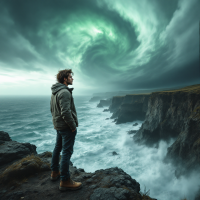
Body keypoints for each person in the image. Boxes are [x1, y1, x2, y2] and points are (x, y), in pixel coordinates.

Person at [50, 69, 82, 191]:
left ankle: (54, 172)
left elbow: (52, 110)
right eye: (70, 77)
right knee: (66, 152)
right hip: (66, 127)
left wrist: (56, 123)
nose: (72, 78)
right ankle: (65, 180)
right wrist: (73, 126)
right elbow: (65, 112)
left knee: (57, 148)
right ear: (65, 79)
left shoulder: (54, 92)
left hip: (58, 125)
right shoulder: (65, 92)